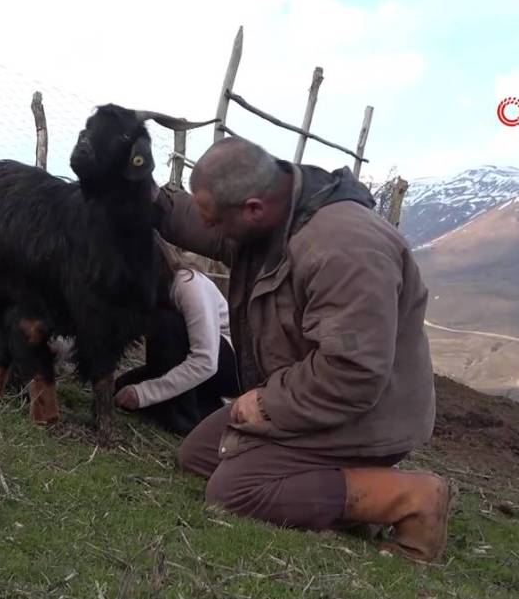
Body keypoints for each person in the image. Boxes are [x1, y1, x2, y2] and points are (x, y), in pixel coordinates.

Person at [154, 136, 453, 564]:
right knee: (199, 455)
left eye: (215, 222)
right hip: (313, 396)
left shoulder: (345, 250)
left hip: (366, 413)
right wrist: (131, 191)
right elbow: (195, 218)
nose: (210, 234)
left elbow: (353, 372)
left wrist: (268, 404)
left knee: (234, 490)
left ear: (252, 209)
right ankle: (351, 487)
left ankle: (411, 498)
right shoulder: (278, 216)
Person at [113, 234, 241, 436]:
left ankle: (184, 421)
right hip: (197, 362)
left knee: (166, 322)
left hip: (231, 364)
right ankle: (208, 409)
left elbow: (205, 361)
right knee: (122, 386)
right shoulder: (154, 293)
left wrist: (145, 393)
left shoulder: (189, 284)